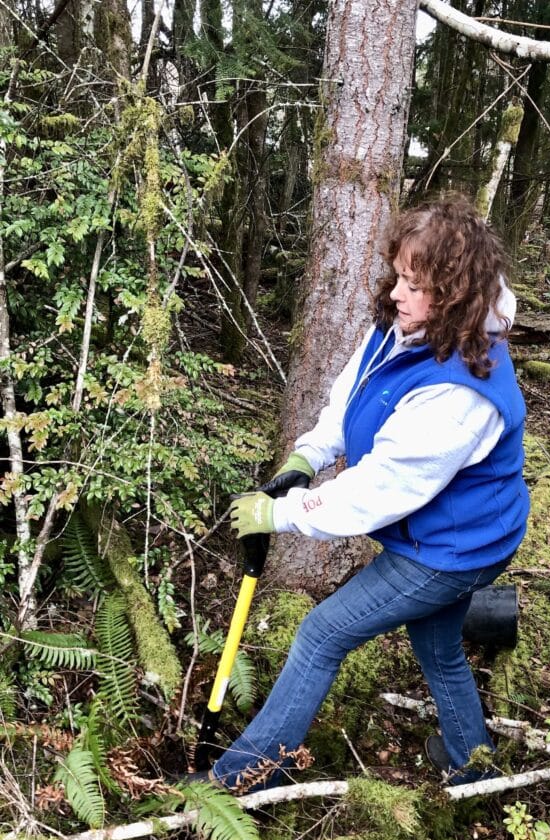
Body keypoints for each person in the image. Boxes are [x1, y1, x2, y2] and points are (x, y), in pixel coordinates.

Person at [204, 194, 529, 793]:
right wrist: (309, 453)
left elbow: (381, 488)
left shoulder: (461, 394)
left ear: (456, 295)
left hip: (454, 549)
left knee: (322, 633)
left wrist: (281, 513)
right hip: (445, 533)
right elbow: (351, 398)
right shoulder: (403, 326)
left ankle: (240, 778)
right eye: (400, 276)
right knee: (437, 644)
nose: (398, 293)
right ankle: (472, 762)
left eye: (417, 284)